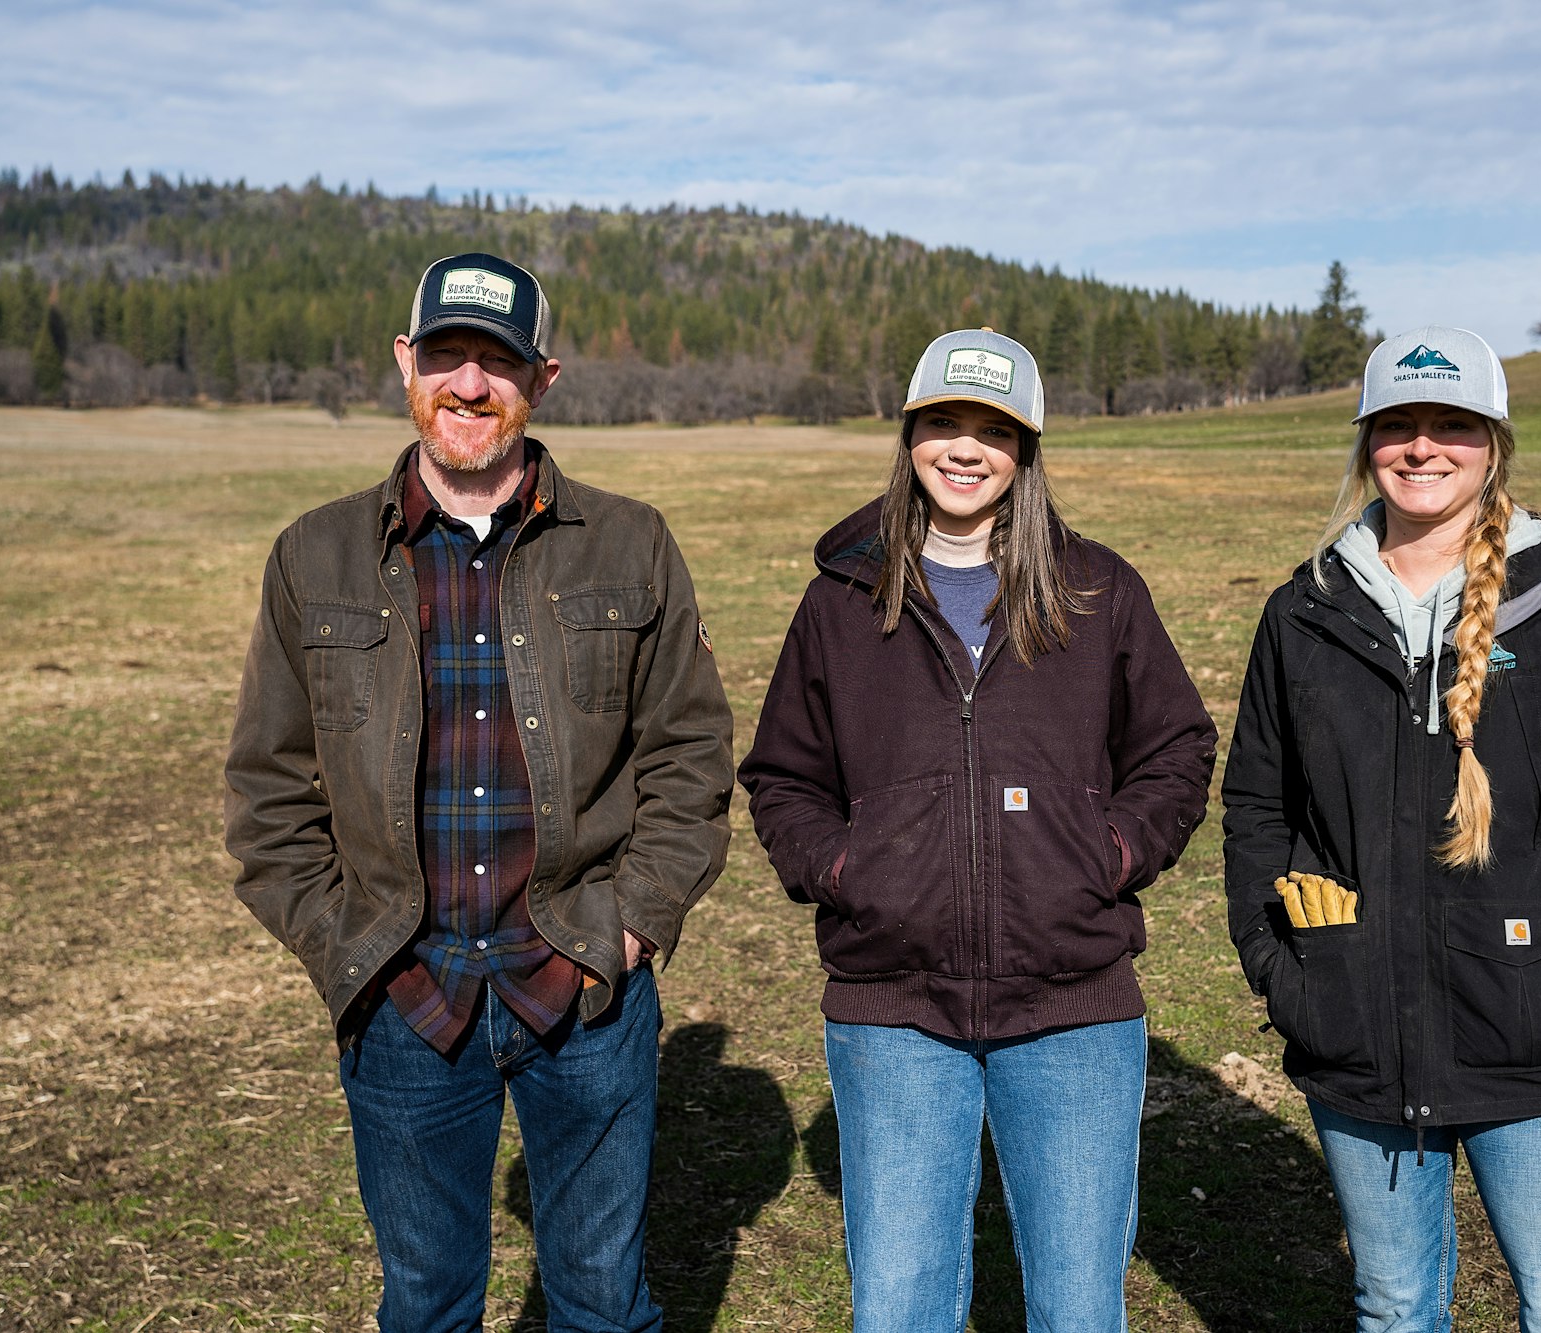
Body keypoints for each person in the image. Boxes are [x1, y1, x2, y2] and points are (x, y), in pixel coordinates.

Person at [225, 251, 734, 1331]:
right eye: (446, 355)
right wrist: (346, 947)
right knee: (426, 1302)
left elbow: (689, 757)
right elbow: (268, 796)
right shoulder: (314, 555)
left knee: (601, 1299)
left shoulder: (630, 541)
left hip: (586, 990)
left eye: (495, 361)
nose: (468, 384)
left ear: (541, 379)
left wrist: (632, 926)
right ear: (405, 363)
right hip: (404, 998)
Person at [1222, 325, 1541, 1333]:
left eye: (1451, 424)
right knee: (1393, 1308)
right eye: (1396, 425)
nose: (1421, 447)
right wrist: (1291, 974)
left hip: (1537, 1041)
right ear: (1365, 444)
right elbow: (1255, 807)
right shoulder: (1303, 611)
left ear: (1493, 443)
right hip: (1354, 1030)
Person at [738, 328, 1217, 1331]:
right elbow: (782, 774)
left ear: (1026, 450)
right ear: (909, 436)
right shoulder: (839, 600)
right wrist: (846, 866)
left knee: (1078, 1309)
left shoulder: (1097, 589)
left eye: (992, 430)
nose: (964, 450)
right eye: (942, 424)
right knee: (899, 1309)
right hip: (891, 1007)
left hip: (1075, 1005)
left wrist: (1110, 852)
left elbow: (1175, 751)